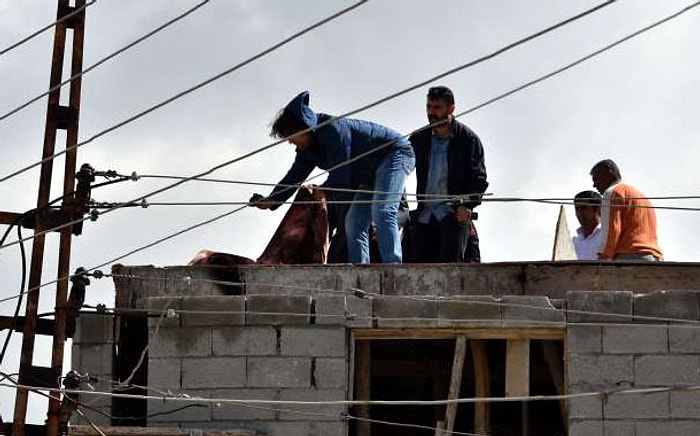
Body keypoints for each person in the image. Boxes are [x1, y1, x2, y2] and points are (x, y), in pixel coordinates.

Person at [249, 91, 415, 264]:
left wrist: (321, 191)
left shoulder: (333, 131)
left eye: (291, 137)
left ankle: (393, 267)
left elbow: (341, 178)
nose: (290, 142)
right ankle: (361, 271)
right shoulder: (308, 148)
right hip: (369, 175)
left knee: (383, 210)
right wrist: (272, 200)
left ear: (304, 128)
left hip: (394, 154)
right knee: (354, 223)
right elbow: (294, 176)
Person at [408, 86, 488, 263]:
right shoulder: (419, 139)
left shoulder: (468, 140)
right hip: (425, 215)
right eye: (429, 107)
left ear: (450, 109)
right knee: (417, 268)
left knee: (450, 267)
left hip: (452, 213)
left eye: (437, 108)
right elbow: (400, 169)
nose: (431, 113)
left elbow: (478, 179)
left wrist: (466, 205)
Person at [589, 159, 663, 261]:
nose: (594, 185)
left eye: (596, 179)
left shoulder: (612, 193)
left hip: (630, 257)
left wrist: (602, 260)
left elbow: (612, 231)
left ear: (609, 172)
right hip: (654, 258)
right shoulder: (640, 196)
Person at [572, 190, 603, 260]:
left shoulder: (607, 237)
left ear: (598, 209)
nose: (580, 213)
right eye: (577, 209)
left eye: (584, 208)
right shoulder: (574, 242)